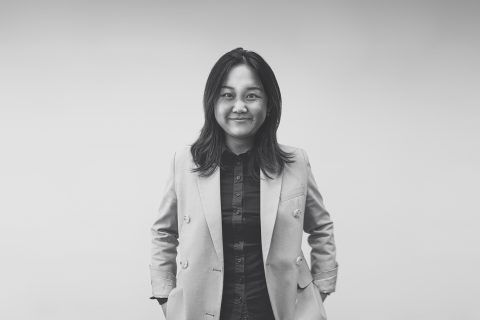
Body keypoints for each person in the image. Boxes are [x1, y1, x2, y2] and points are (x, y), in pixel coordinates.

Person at [149, 47, 338, 320]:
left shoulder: (295, 162)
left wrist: (318, 293)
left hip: (278, 311)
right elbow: (163, 232)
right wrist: (166, 297)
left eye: (252, 95)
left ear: (268, 103)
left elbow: (321, 228)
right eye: (227, 95)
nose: (239, 106)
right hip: (203, 311)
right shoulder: (185, 162)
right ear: (212, 103)